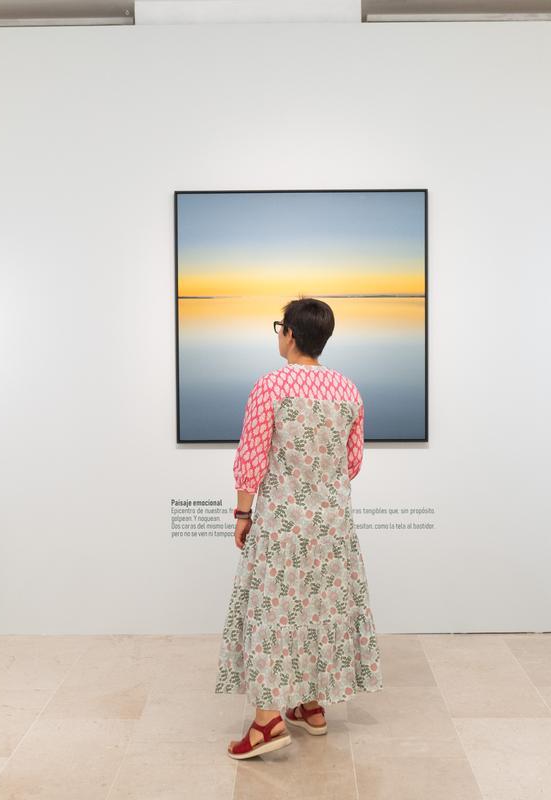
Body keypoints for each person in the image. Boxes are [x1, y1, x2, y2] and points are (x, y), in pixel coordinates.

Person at [215, 297, 383, 759]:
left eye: (279, 328)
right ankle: (311, 705)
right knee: (320, 607)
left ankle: (267, 722)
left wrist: (243, 514)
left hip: (283, 524)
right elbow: (352, 463)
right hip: (332, 525)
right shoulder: (348, 389)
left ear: (289, 333)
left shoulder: (271, 386)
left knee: (272, 613)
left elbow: (251, 457)